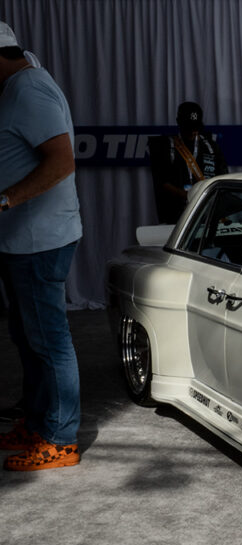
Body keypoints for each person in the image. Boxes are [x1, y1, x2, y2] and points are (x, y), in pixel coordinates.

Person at [0, 21, 82, 470]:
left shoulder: (28, 88)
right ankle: (36, 423)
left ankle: (60, 438)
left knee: (48, 341)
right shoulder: (19, 86)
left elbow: (62, 160)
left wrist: (5, 199)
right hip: (21, 240)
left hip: (38, 241)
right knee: (28, 337)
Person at [149, 101, 227, 223]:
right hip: (176, 214)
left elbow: (222, 178)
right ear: (178, 123)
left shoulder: (211, 147)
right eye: (189, 128)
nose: (192, 132)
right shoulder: (167, 147)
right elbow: (162, 182)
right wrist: (186, 195)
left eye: (195, 128)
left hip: (205, 210)